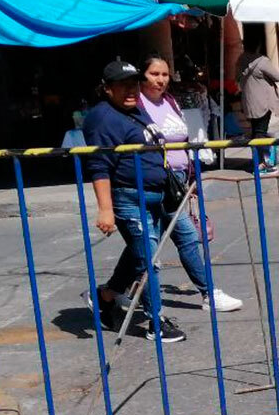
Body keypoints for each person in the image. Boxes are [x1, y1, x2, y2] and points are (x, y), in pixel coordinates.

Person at [81, 60, 186, 343]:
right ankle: (156, 321)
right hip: (129, 197)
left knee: (138, 254)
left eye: (133, 84)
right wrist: (106, 210)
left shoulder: (134, 109)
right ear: (107, 89)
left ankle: (104, 296)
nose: (131, 90)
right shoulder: (102, 118)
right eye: (123, 85)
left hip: (157, 195)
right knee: (148, 260)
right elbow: (99, 167)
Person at [137, 54, 243, 314]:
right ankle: (208, 293)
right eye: (154, 74)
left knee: (149, 244)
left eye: (164, 74)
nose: (160, 80)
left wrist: (191, 177)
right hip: (153, 183)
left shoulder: (169, 101)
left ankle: (109, 292)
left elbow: (184, 140)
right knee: (179, 238)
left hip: (177, 180)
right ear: (142, 76)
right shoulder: (136, 106)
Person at [236, 35, 279, 173]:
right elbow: (278, 77)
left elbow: (236, 77)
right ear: (258, 46)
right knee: (260, 132)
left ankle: (258, 160)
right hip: (263, 102)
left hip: (249, 102)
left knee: (256, 131)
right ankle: (261, 164)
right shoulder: (262, 61)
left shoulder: (241, 60)